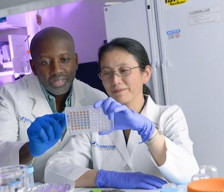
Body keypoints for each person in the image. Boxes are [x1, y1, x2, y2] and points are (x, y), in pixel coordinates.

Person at [45, 38, 199, 189]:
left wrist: (150, 133)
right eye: (107, 73)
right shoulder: (95, 119)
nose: (115, 80)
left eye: (124, 71)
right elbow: (53, 170)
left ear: (146, 73)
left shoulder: (169, 115)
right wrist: (106, 177)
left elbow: (188, 175)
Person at [0, 27, 107, 182]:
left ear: (76, 61)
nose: (56, 70)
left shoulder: (97, 100)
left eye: (64, 59)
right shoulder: (12, 95)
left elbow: (105, 155)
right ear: (34, 67)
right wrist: (29, 149)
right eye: (45, 62)